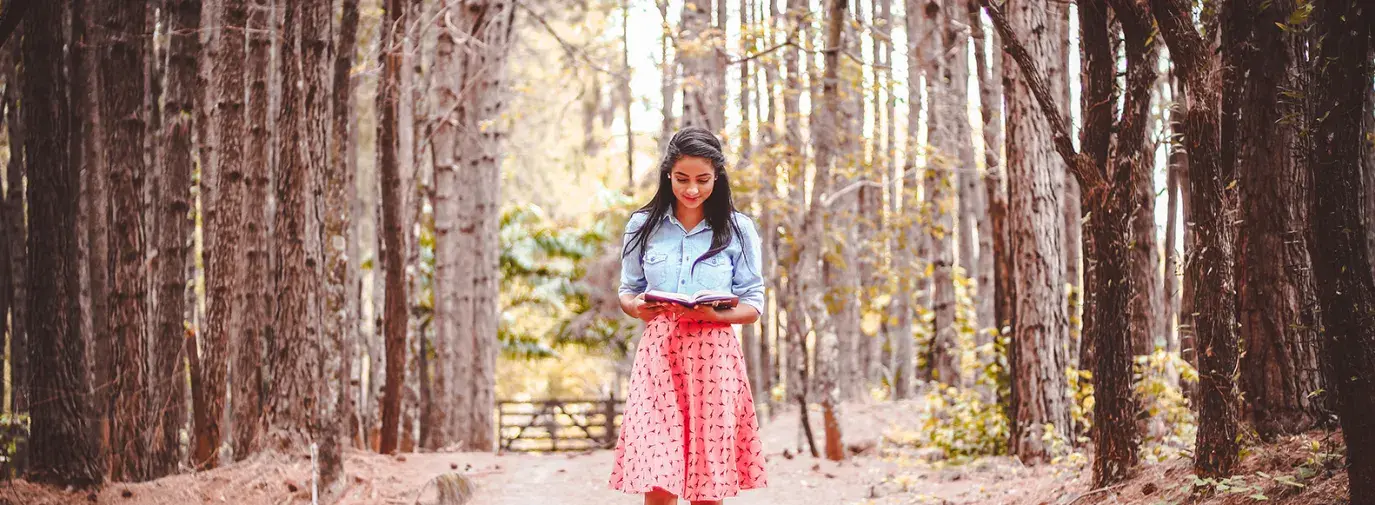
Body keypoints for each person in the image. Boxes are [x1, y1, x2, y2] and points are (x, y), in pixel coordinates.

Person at [608, 127, 769, 505]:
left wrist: (716, 314)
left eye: (703, 179)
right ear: (668, 175)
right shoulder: (642, 225)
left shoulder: (738, 229)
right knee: (658, 470)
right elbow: (627, 290)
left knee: (708, 477)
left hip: (714, 357)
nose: (692, 189)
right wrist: (636, 307)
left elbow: (754, 304)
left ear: (718, 177)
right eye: (682, 179)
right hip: (659, 355)